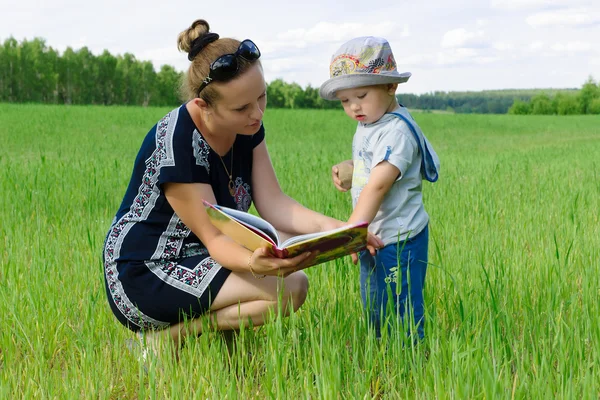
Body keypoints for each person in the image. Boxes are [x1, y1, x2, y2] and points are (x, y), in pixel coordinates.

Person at [102, 20, 383, 356]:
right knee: (288, 288)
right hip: (146, 270)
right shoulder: (177, 145)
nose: (257, 114)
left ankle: (200, 341)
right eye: (242, 108)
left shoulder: (249, 126)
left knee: (292, 285)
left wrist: (341, 231)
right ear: (204, 107)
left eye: (261, 97)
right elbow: (216, 237)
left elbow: (274, 203)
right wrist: (254, 263)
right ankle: (165, 339)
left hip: (202, 256)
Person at [320, 36, 440, 340]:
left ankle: (413, 363)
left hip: (400, 240)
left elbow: (378, 185)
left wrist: (351, 231)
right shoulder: (371, 123)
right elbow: (374, 164)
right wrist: (352, 168)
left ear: (390, 87)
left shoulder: (397, 130)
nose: (354, 106)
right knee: (374, 303)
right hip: (372, 235)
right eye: (345, 101)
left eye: (361, 95)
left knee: (403, 308)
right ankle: (380, 355)